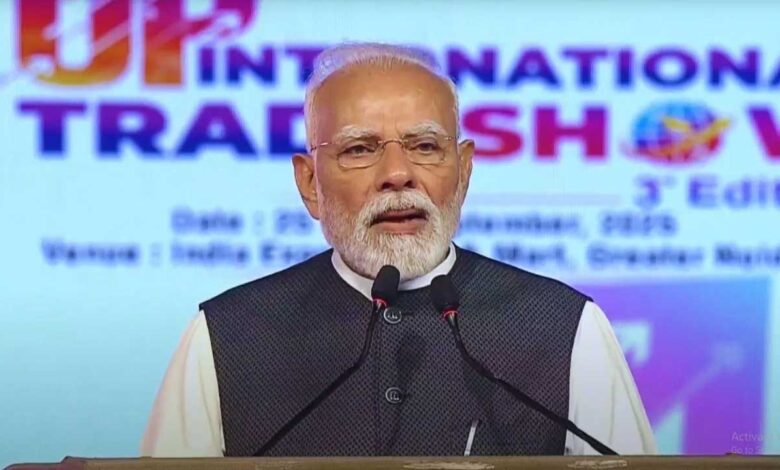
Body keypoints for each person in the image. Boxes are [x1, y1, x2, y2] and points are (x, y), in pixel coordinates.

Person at [140, 43, 656, 457]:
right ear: (310, 184)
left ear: (464, 172)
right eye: (359, 149)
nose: (397, 174)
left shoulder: (565, 326)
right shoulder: (226, 335)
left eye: (425, 146)